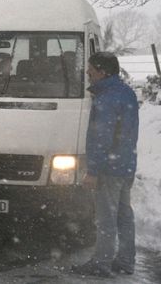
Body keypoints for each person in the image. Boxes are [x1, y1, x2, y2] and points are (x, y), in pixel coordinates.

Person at [72, 52, 139, 277]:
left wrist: (93, 171)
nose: (88, 72)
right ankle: (126, 261)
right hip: (125, 164)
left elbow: (102, 138)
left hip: (109, 169)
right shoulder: (126, 93)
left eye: (91, 68)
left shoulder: (107, 98)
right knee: (123, 215)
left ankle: (101, 264)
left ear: (102, 71)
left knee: (106, 218)